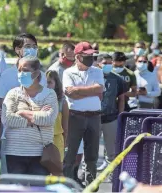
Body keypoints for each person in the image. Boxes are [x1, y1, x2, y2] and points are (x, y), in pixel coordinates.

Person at [0, 33, 47, 174]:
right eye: (28, 46)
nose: (32, 49)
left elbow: (46, 106)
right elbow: (1, 105)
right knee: (15, 184)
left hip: (37, 141)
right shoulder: (7, 75)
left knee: (37, 185)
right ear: (18, 50)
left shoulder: (41, 76)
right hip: (12, 140)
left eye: (35, 47)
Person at [1, 56, 58, 175]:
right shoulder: (13, 93)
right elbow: (7, 118)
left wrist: (21, 113)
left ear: (37, 73)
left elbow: (49, 118)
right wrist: (36, 115)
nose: (21, 73)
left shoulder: (49, 94)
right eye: (19, 70)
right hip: (15, 152)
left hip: (41, 153)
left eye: (25, 70)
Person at [63, 42, 103, 190]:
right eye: (87, 55)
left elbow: (99, 89)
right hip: (75, 117)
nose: (91, 58)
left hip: (94, 117)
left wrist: (79, 91)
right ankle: (66, 185)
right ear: (78, 56)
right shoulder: (68, 73)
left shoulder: (97, 71)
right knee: (70, 154)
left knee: (92, 156)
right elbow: (69, 93)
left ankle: (91, 186)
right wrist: (90, 90)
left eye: (92, 55)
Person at [94, 54, 126, 173]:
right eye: (104, 63)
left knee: (112, 151)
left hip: (111, 119)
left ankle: (113, 175)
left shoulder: (118, 79)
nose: (107, 65)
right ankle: (88, 175)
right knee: (91, 149)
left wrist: (120, 116)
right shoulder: (92, 77)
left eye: (109, 62)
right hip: (94, 118)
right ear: (98, 64)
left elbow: (121, 99)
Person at [46, 70, 69, 162]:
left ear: (56, 84)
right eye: (45, 82)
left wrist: (65, 142)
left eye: (50, 82)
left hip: (57, 140)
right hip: (42, 141)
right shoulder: (38, 99)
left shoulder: (62, 102)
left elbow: (65, 127)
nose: (47, 85)